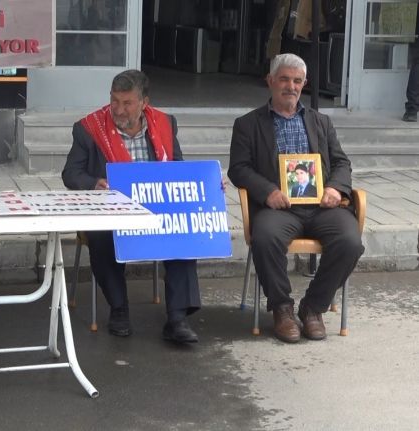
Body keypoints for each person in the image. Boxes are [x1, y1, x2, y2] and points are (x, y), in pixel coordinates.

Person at [228, 53, 365, 343]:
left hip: (322, 207)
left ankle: (313, 308)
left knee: (350, 242)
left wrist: (335, 188)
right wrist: (268, 191)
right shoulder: (247, 124)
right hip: (279, 208)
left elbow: (341, 162)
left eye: (297, 81)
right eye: (284, 79)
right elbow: (238, 168)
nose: (290, 86)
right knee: (265, 238)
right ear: (270, 81)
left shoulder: (321, 121)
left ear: (304, 84)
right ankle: (282, 308)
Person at [62, 69, 201, 345]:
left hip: (156, 209)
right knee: (101, 236)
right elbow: (70, 174)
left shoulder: (165, 124)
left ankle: (177, 318)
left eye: (127, 103)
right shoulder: (89, 129)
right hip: (111, 210)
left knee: (183, 231)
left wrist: (205, 183)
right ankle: (119, 309)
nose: (118, 109)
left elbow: (178, 168)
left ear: (144, 103)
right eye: (114, 100)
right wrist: (94, 183)